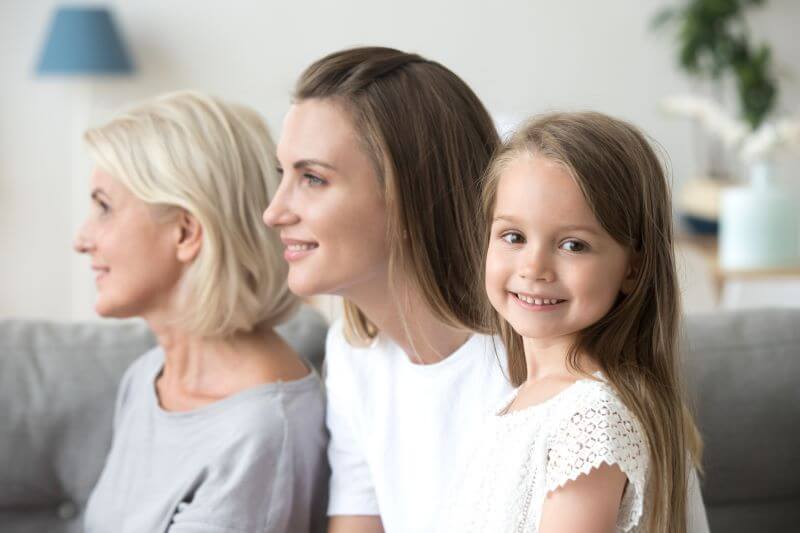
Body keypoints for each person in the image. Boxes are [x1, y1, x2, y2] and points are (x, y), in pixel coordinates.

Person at [264, 47, 708, 533]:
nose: (274, 211)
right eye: (513, 236)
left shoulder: (548, 365)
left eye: (312, 178)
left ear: (409, 196)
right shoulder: (354, 356)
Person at [75, 91, 328, 533]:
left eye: (104, 208)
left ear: (186, 232)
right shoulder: (147, 377)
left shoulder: (263, 432)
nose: (82, 238)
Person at [442, 111, 704, 533]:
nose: (534, 266)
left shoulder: (590, 419)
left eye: (573, 245)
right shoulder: (515, 404)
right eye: (513, 236)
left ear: (633, 269)